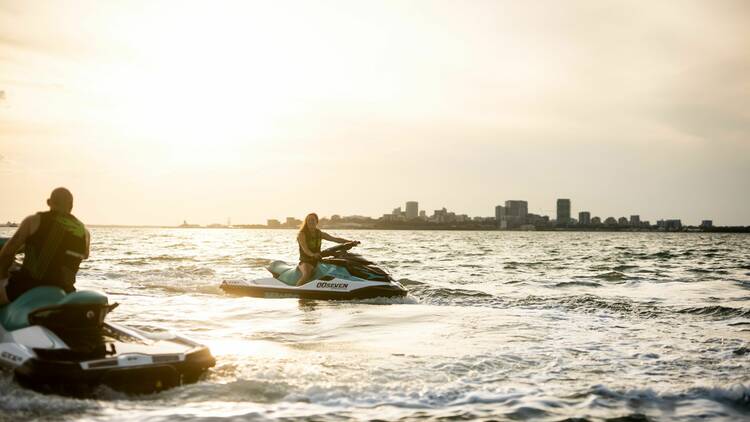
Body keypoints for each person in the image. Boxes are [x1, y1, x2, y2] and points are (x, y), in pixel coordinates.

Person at [0, 187, 90, 305]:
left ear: (49, 202)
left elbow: (7, 253)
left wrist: (2, 276)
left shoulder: (33, 221)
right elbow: (84, 255)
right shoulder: (84, 231)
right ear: (71, 205)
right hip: (65, 291)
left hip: (26, 287)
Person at [296, 213, 356, 286]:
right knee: (307, 274)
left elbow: (335, 239)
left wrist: (350, 242)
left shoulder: (319, 233)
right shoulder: (302, 234)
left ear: (316, 222)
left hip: (318, 259)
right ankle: (297, 291)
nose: (311, 222)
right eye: (308, 220)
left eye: (313, 220)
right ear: (306, 222)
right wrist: (313, 255)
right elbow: (305, 249)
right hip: (306, 261)